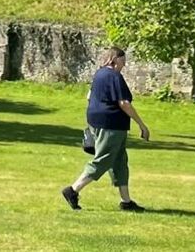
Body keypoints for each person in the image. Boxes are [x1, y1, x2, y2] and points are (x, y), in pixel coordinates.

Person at [62, 46, 151, 213]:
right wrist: (141, 124)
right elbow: (124, 103)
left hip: (98, 121)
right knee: (103, 159)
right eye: (123, 61)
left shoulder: (99, 74)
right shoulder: (114, 76)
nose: (123, 65)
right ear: (115, 59)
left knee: (119, 162)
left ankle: (126, 201)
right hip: (111, 125)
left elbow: (89, 97)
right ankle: (73, 190)